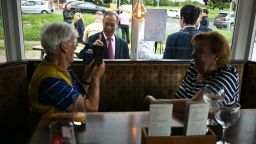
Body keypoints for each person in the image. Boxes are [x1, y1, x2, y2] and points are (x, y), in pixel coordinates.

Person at [29, 22, 105, 124]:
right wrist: (96, 77)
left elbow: (78, 98)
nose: (75, 47)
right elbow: (90, 109)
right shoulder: (50, 79)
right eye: (74, 43)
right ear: (64, 46)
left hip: (64, 127)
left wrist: (88, 77)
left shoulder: (60, 68)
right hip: (51, 134)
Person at [146, 31, 240, 110]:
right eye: (194, 49)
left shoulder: (227, 75)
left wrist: (156, 102)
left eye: (200, 51)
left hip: (214, 129)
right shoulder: (194, 67)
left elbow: (198, 106)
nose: (193, 54)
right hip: (183, 122)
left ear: (217, 56)